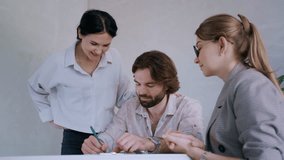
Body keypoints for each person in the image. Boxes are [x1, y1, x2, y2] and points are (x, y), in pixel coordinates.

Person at [163, 14, 284, 160]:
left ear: (222, 44)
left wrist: (197, 153)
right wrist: (201, 147)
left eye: (199, 48)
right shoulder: (236, 84)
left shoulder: (251, 85)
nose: (196, 59)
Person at [27, 9, 134, 155]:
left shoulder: (114, 58)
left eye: (105, 45)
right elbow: (35, 88)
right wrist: (49, 116)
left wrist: (157, 95)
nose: (99, 51)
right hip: (74, 138)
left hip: (108, 137)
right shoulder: (58, 62)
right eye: (94, 43)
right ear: (80, 33)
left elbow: (124, 97)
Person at [81, 50, 204, 154]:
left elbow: (193, 144)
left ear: (166, 85)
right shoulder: (130, 106)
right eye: (138, 84)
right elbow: (111, 135)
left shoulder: (188, 106)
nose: (141, 91)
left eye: (150, 85)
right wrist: (98, 143)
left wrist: (149, 143)